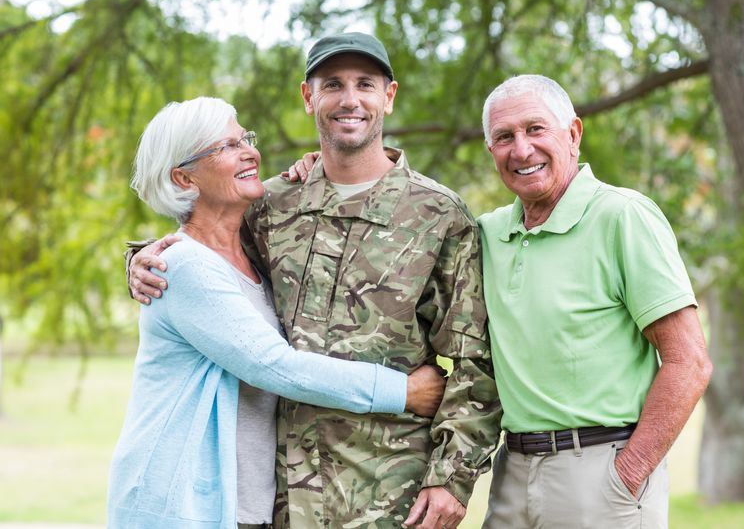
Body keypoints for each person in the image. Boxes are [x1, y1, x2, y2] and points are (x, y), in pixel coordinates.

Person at [127, 33, 501, 529]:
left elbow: (478, 360)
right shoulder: (271, 206)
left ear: (388, 96)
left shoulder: (438, 215)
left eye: (365, 84)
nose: (350, 99)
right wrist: (141, 262)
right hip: (278, 499)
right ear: (309, 97)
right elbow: (206, 256)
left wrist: (451, 478)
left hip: (390, 497)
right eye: (333, 84)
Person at [478, 75, 713, 528]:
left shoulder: (622, 216)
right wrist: (318, 173)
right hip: (512, 473)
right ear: (492, 152)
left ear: (573, 134)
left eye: (536, 129)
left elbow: (689, 361)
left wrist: (627, 474)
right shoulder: (488, 235)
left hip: (601, 476)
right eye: (504, 137)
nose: (521, 149)